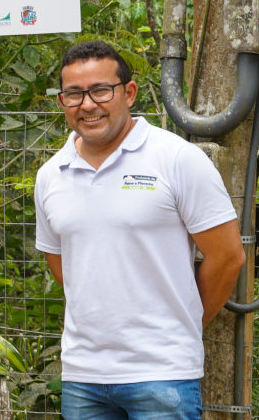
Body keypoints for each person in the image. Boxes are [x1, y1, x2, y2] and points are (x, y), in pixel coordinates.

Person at [34, 40, 245, 420]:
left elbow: (228, 256)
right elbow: (62, 264)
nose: (87, 104)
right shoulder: (51, 175)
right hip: (82, 375)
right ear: (62, 101)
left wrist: (183, 324)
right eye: (73, 94)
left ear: (128, 93)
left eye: (100, 90)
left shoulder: (177, 159)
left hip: (162, 373)